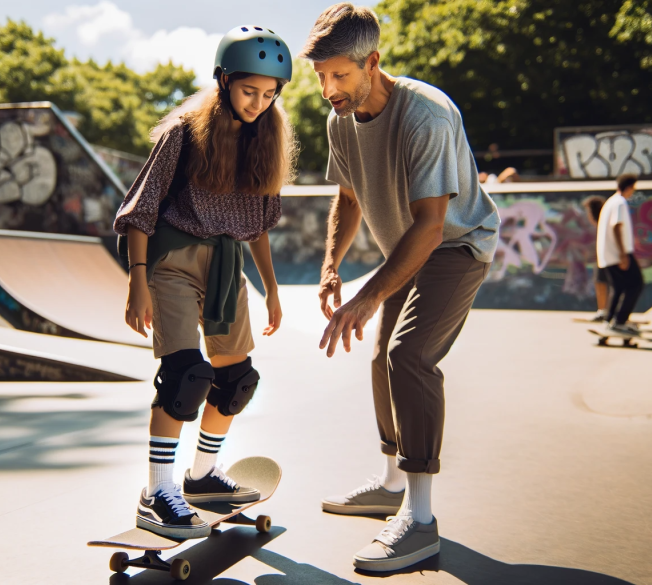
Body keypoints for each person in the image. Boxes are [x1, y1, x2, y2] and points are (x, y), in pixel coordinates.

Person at [301, 4, 500, 572]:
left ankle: (420, 519)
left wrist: (369, 297)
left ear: (373, 62)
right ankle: (391, 484)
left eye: (339, 75)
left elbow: (432, 225)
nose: (328, 89)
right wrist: (332, 267)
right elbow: (350, 194)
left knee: (408, 356)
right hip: (407, 248)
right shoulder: (340, 118)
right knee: (379, 359)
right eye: (320, 76)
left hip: (457, 245)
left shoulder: (426, 117)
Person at [113, 25, 294, 540]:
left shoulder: (267, 143)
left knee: (236, 381)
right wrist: (137, 280)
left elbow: (256, 226)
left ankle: (201, 479)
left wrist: (273, 289)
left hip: (226, 266)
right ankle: (156, 492)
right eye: (248, 90)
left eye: (269, 93)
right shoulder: (184, 133)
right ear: (223, 81)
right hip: (171, 258)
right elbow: (140, 211)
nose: (259, 102)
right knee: (185, 377)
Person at [597, 174, 643, 335]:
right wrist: (623, 254)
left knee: (618, 287)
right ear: (630, 187)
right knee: (636, 284)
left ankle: (610, 320)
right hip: (618, 254)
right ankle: (620, 321)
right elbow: (616, 226)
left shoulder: (610, 201)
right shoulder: (620, 203)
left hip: (607, 255)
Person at [581, 195, 609, 321]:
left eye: (588, 213)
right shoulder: (602, 223)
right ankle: (603, 310)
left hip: (610, 259)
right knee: (600, 282)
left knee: (605, 283)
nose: (588, 216)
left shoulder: (606, 223)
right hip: (604, 258)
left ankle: (607, 311)